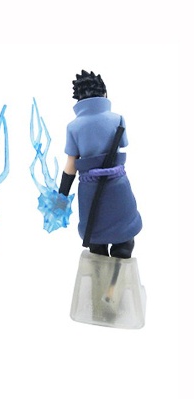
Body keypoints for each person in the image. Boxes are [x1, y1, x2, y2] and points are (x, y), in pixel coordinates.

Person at [59, 70, 142, 259]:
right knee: (124, 240)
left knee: (96, 245)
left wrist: (61, 197)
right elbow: (123, 144)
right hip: (118, 188)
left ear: (78, 98)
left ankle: (99, 275)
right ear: (104, 93)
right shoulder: (118, 119)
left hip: (90, 193)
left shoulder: (73, 127)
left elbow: (71, 166)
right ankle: (120, 274)